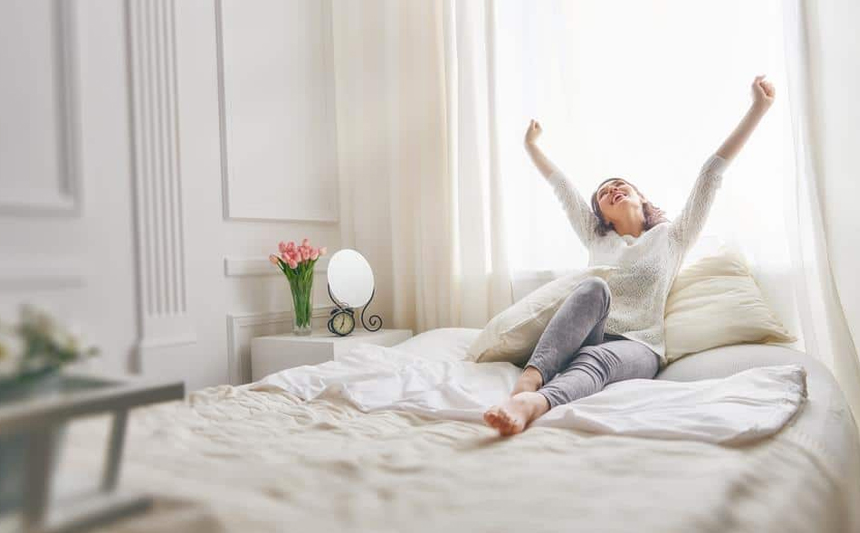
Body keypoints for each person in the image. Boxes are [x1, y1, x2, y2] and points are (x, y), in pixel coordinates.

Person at [483, 75, 776, 436]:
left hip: (639, 346)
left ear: (641, 198)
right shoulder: (596, 237)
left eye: (622, 185)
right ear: (602, 215)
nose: (614, 188)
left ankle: (532, 404)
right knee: (593, 288)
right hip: (589, 333)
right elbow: (562, 187)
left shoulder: (673, 237)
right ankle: (526, 383)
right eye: (604, 192)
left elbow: (710, 174)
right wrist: (531, 147)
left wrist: (757, 109)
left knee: (595, 360)